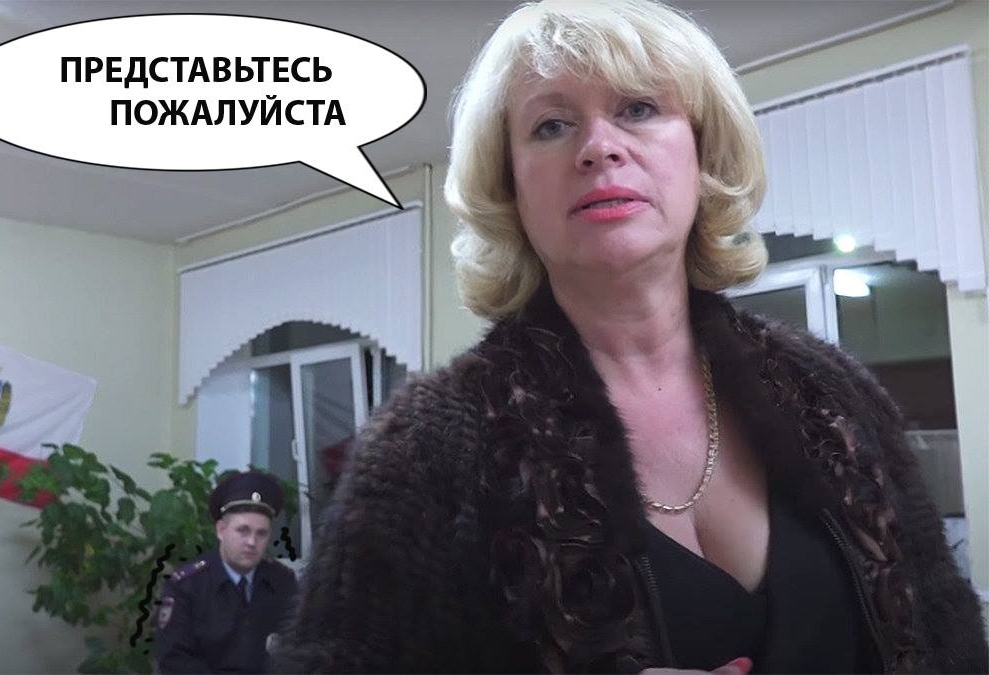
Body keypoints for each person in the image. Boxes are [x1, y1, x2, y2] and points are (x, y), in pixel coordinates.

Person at [273, 1, 988, 673]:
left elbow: (952, 640)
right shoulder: (428, 446)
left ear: (702, 153)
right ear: (510, 186)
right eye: (552, 125)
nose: (598, 148)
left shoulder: (834, 394)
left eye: (638, 109)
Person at [155, 470, 298, 674]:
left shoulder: (282, 582)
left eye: (261, 533)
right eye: (243, 530)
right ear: (221, 530)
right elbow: (174, 661)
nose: (252, 542)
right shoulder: (187, 586)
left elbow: (297, 648)